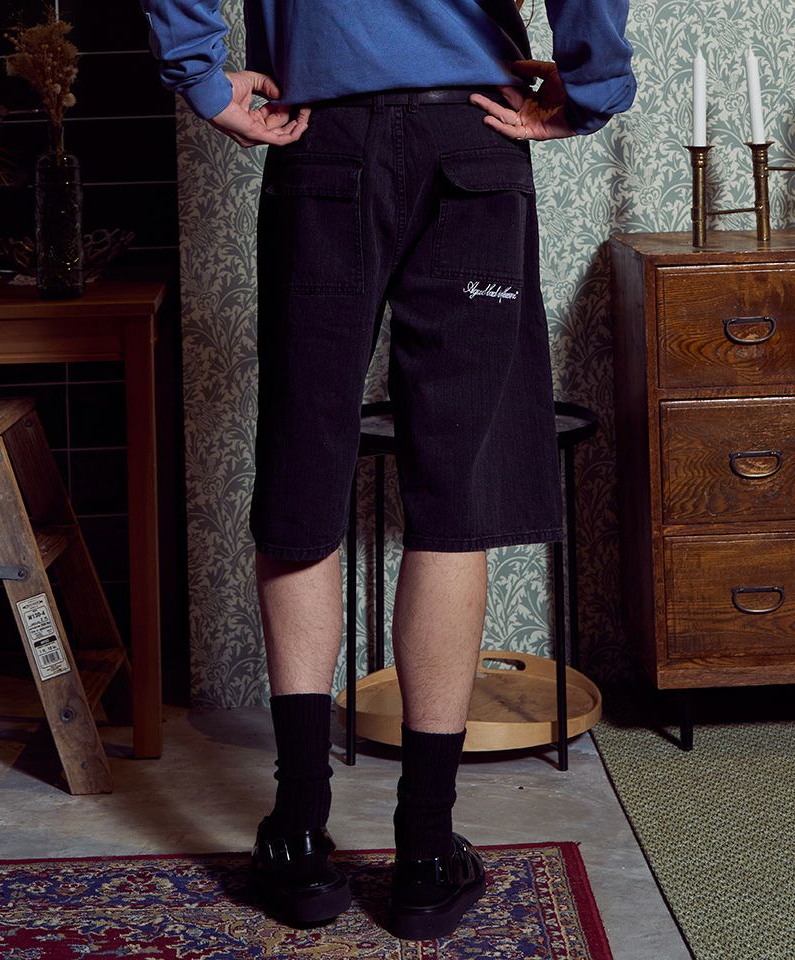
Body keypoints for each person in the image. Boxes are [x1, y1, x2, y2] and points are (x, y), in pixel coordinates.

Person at [139, 0, 636, 941]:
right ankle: (425, 852)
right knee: (455, 491)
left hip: (321, 145)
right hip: (472, 141)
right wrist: (592, 85)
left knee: (304, 473)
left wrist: (199, 75)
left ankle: (298, 835)